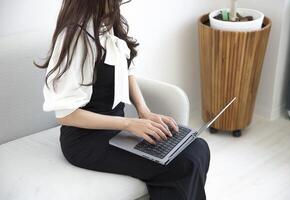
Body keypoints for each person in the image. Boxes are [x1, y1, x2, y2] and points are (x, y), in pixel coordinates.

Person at [35, 0, 210, 199]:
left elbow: (126, 70)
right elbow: (66, 115)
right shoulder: (76, 37)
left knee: (197, 148)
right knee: (183, 164)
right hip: (86, 140)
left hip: (118, 128)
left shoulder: (108, 22)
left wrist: (145, 112)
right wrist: (129, 123)